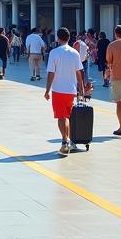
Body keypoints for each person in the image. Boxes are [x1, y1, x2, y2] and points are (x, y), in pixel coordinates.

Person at [43, 28, 86, 156]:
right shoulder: (75, 53)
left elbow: (51, 72)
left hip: (58, 90)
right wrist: (82, 89)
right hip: (71, 90)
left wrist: (47, 90)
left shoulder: (54, 53)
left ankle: (64, 142)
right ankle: (70, 141)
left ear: (58, 38)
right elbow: (79, 72)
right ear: (69, 38)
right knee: (67, 116)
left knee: (61, 117)